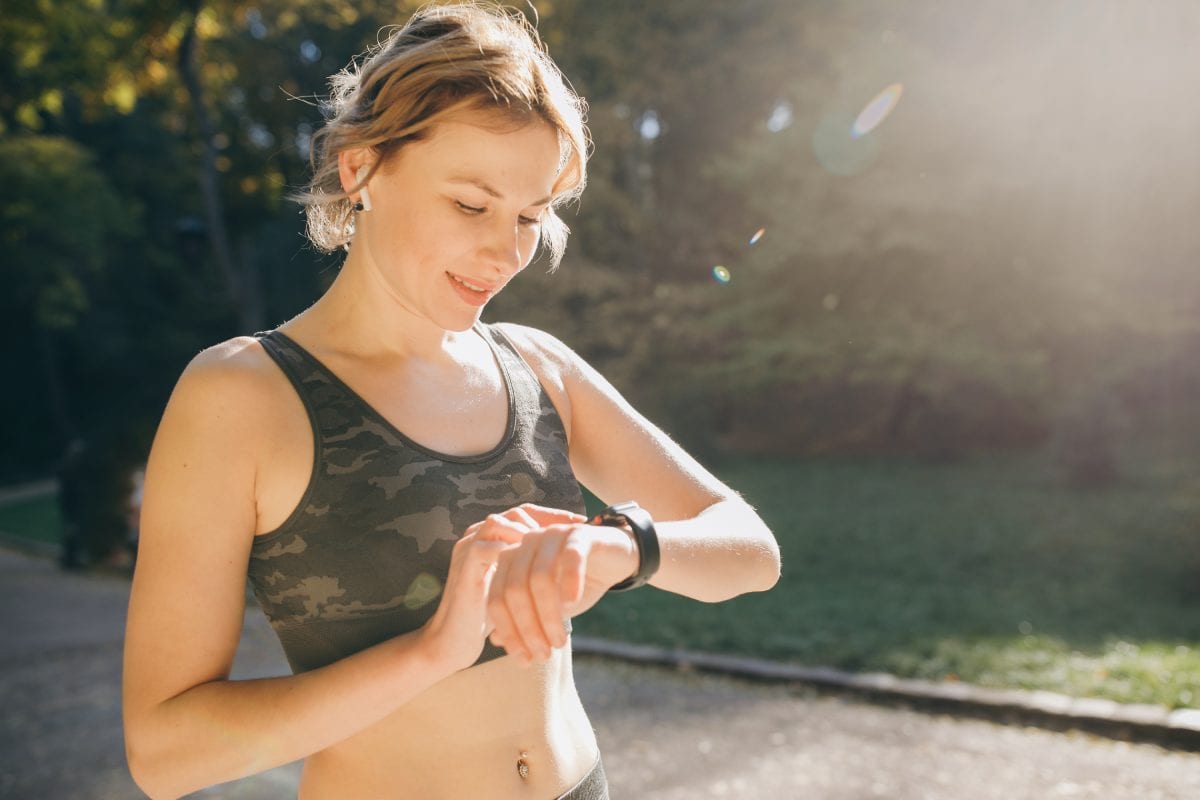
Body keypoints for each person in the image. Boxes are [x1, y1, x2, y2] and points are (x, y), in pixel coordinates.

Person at [122, 4, 781, 799]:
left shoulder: (538, 365)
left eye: (530, 217)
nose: (506, 252)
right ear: (361, 169)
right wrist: (434, 649)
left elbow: (749, 551)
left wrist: (617, 547)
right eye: (472, 204)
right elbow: (163, 752)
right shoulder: (239, 395)